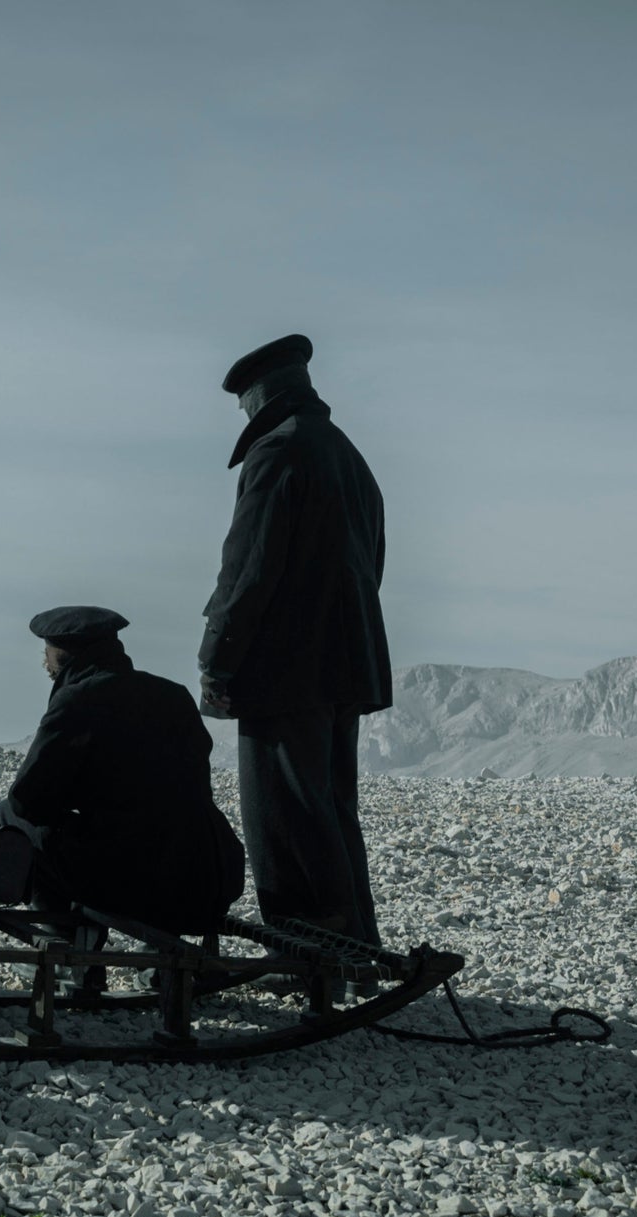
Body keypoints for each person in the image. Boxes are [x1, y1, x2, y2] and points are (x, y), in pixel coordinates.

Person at [199, 333, 391, 944]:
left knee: (282, 812)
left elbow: (248, 569)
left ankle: (309, 945)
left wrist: (217, 661)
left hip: (285, 668)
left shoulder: (278, 452)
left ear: (259, 398)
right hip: (347, 663)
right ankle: (356, 940)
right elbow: (373, 562)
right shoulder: (346, 454)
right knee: (331, 806)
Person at [0, 606, 245, 935]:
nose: (44, 663)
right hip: (208, 875)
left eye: (48, 652)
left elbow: (27, 802)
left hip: (139, 882)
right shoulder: (174, 695)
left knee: (11, 819)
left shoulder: (77, 700)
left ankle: (63, 942)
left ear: (64, 654)